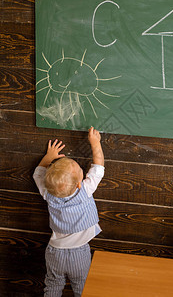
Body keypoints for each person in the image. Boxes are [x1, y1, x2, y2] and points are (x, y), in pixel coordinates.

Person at [33, 127, 104, 297]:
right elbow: (98, 167)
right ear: (80, 183)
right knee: (81, 288)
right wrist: (95, 143)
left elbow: (38, 174)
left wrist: (48, 157)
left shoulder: (48, 193)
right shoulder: (85, 190)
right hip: (79, 254)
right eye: (81, 170)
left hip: (54, 251)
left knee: (53, 285)